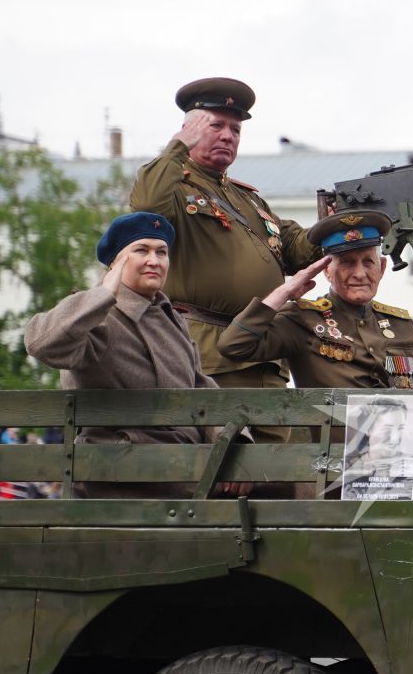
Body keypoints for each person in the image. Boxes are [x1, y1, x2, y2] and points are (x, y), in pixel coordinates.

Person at [128, 77, 315, 419]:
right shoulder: (174, 187)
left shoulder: (247, 199)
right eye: (216, 125)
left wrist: (333, 226)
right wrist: (177, 147)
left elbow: (295, 248)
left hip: (262, 351)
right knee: (224, 464)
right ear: (190, 129)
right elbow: (146, 206)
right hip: (209, 356)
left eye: (236, 129)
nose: (228, 136)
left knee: (270, 463)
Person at [22, 212, 224, 498]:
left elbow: (202, 389)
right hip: (120, 473)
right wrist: (104, 293)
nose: (154, 260)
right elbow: (40, 342)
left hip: (183, 466)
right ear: (115, 263)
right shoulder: (94, 316)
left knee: (285, 481)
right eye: (141, 250)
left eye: (162, 252)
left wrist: (233, 443)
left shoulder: (172, 319)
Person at [216, 211, 413, 391]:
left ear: (381, 268)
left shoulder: (400, 326)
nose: (360, 273)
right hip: (334, 445)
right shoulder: (303, 319)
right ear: (327, 272)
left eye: (368, 262)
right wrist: (285, 291)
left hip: (397, 443)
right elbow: (234, 345)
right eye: (347, 263)